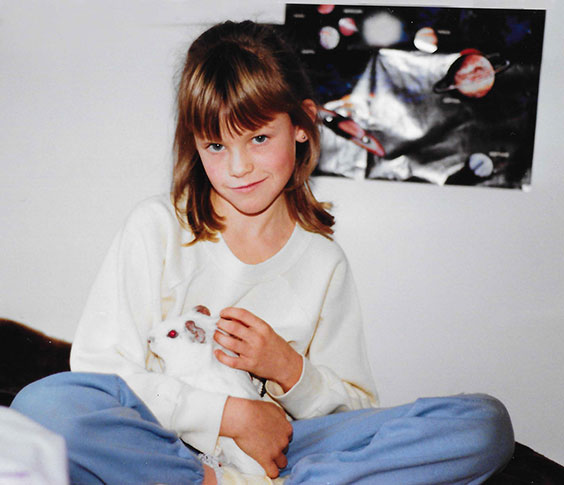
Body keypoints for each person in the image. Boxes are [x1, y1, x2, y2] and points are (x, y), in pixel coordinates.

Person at [11, 20, 514, 485]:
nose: (238, 168)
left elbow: (357, 414)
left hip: (288, 455)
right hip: (168, 450)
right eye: (215, 146)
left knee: (484, 424)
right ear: (194, 144)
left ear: (301, 124)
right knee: (44, 405)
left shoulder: (322, 261)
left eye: (258, 138)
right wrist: (230, 416)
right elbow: (103, 369)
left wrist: (289, 369)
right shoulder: (158, 227)